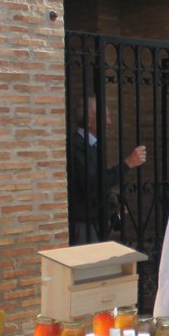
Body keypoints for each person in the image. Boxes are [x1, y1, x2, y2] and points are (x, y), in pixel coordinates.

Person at [68, 95, 146, 243]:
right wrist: (128, 163)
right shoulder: (76, 146)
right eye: (106, 117)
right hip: (84, 224)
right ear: (90, 120)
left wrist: (111, 202)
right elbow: (93, 184)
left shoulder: (92, 145)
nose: (109, 122)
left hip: (95, 222)